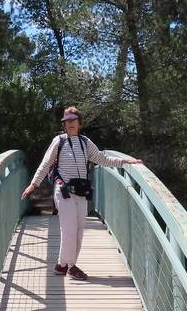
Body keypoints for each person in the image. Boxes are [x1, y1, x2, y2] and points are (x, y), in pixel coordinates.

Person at [21, 106, 142, 280]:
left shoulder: (85, 142)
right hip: (63, 192)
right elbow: (46, 164)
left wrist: (126, 162)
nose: (69, 124)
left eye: (73, 120)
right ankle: (71, 267)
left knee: (77, 231)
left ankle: (62, 264)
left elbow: (102, 159)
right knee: (69, 230)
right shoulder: (59, 141)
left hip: (81, 192)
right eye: (66, 121)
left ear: (79, 123)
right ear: (64, 124)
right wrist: (34, 184)